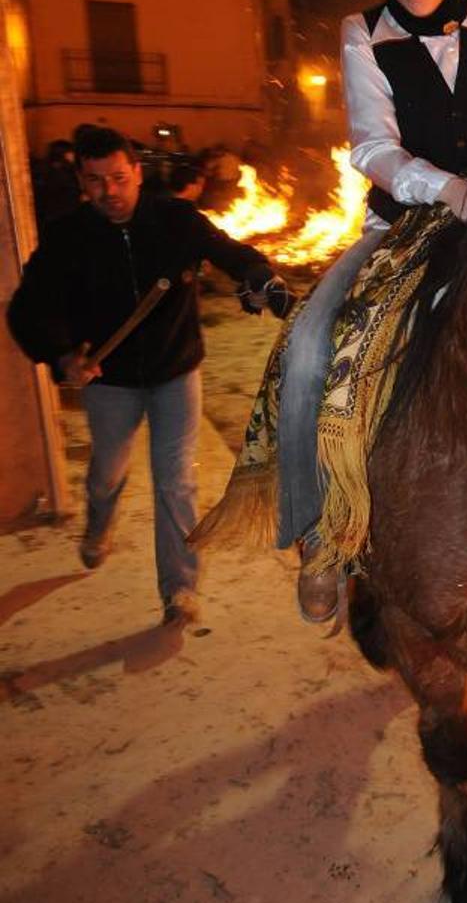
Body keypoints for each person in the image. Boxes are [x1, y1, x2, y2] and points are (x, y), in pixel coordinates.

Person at [278, 0, 467, 623]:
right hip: (401, 227)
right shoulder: (363, 34)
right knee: (309, 347)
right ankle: (321, 533)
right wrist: (450, 189)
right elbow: (372, 147)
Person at [6, 126, 288, 626]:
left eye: (118, 177)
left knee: (176, 481)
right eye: (96, 181)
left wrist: (261, 277)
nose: (109, 191)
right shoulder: (67, 237)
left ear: (137, 172)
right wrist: (64, 357)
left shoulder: (175, 220)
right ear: (82, 182)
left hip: (175, 371)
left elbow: (230, 253)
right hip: (110, 381)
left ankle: (179, 588)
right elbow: (29, 308)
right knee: (106, 474)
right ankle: (99, 525)